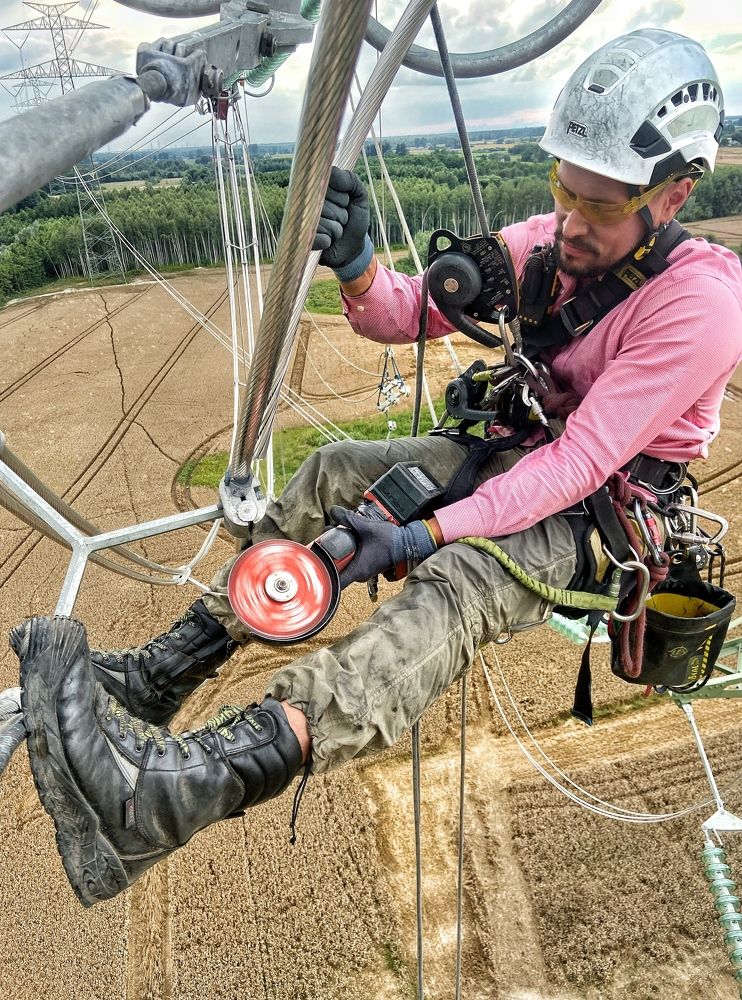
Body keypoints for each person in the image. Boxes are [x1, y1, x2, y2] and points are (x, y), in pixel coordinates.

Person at [11, 28, 742, 908]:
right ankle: (162, 675)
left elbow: (578, 465)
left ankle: (176, 793)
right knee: (334, 469)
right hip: (516, 450)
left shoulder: (702, 305)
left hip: (601, 511)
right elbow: (408, 313)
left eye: (601, 204)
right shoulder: (551, 247)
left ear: (674, 195)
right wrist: (360, 268)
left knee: (463, 577)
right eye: (564, 189)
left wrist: (422, 534)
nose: (572, 221)